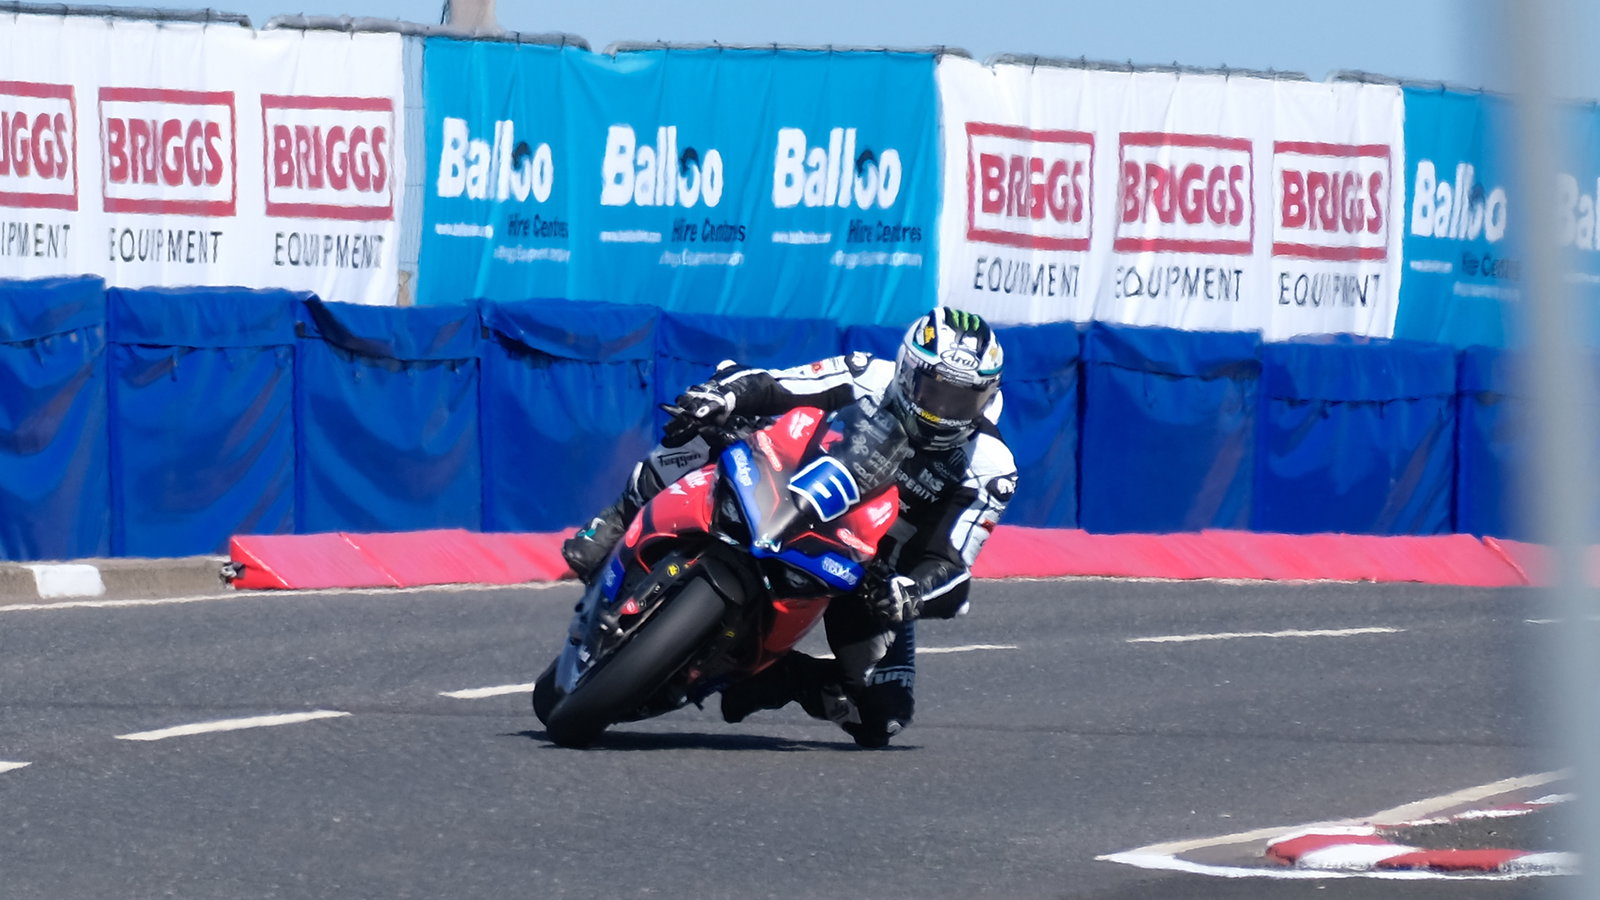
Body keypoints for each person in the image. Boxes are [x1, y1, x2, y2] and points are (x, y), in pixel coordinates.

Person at [560, 307, 1019, 748]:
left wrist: (911, 592)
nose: (943, 410)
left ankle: (779, 679)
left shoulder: (989, 466)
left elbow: (953, 565)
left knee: (883, 716)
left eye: (963, 399)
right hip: (787, 485)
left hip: (866, 574)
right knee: (707, 424)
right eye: (934, 391)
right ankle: (614, 519)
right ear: (906, 370)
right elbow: (776, 384)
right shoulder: (865, 374)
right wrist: (722, 396)